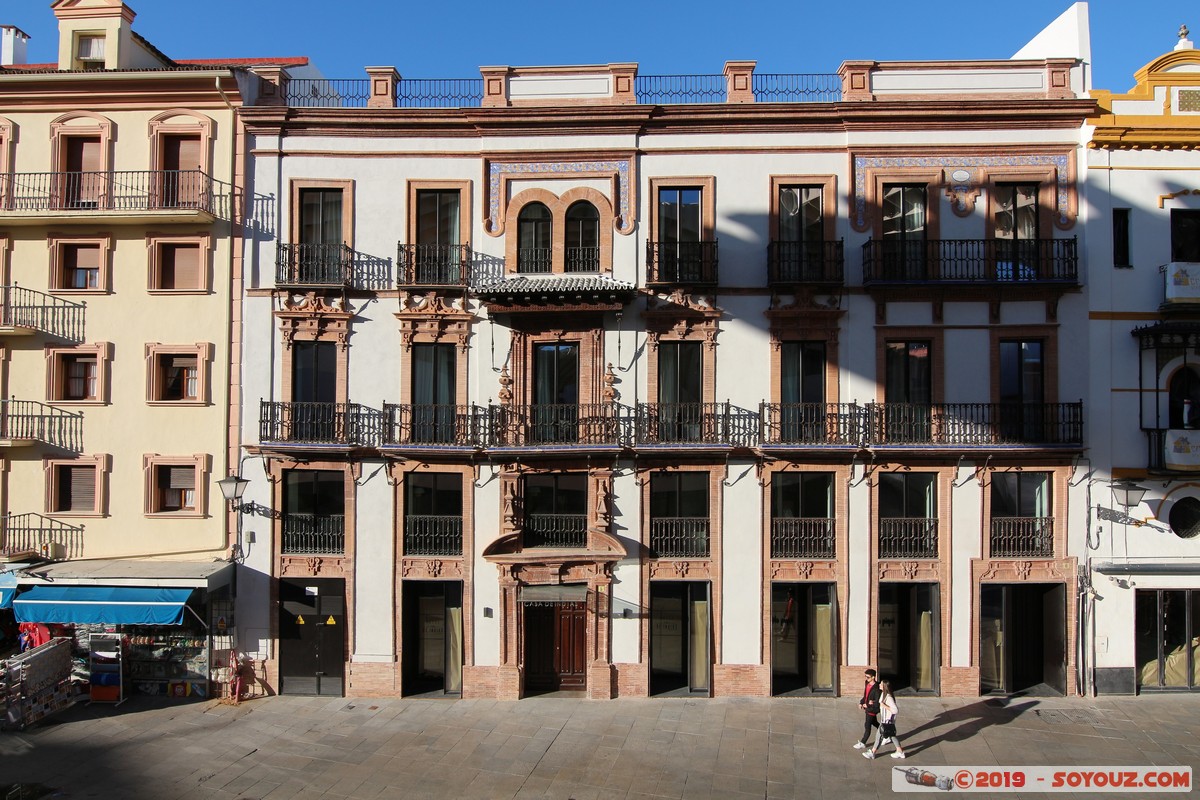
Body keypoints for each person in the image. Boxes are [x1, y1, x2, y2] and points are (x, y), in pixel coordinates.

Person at [863, 680, 906, 759]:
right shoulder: (883, 694)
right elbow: (880, 703)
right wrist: (874, 702)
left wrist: (884, 706)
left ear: (885, 686)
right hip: (886, 721)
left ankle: (873, 752)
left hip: (887, 721)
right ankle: (900, 751)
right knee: (892, 736)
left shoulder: (889, 698)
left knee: (878, 736)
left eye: (881, 684)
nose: (879, 685)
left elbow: (895, 710)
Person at [853, 668, 881, 749]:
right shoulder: (867, 683)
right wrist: (861, 702)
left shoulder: (877, 688)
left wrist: (867, 705)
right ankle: (886, 734)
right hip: (868, 709)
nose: (866, 679)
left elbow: (877, 703)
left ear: (873, 677)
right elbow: (866, 696)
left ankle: (863, 742)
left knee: (867, 725)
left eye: (868, 677)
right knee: (875, 722)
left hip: (871, 710)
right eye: (865, 677)